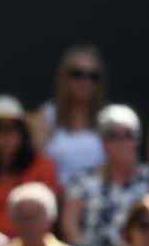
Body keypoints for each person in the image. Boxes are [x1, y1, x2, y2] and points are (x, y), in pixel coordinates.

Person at [0, 95, 59, 237]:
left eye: (14, 128)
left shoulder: (44, 167)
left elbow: (48, 220)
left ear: (23, 133)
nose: (7, 135)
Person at [61, 104, 149, 246]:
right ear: (102, 142)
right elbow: (69, 225)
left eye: (128, 134)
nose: (121, 142)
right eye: (113, 135)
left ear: (137, 140)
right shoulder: (82, 180)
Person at [36, 45, 107, 186]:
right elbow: (37, 165)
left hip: (98, 198)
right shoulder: (47, 115)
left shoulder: (109, 117)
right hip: (55, 195)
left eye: (93, 76)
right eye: (77, 74)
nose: (85, 82)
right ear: (64, 78)